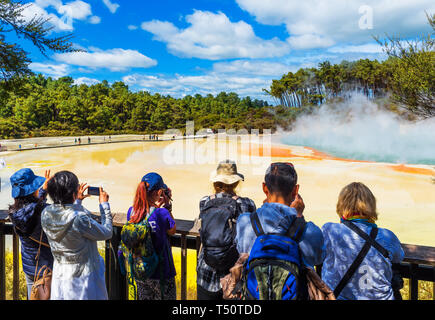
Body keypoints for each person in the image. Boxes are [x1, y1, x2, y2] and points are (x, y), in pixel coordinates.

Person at [235, 162, 325, 297]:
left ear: (265, 188)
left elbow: (242, 250)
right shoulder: (309, 231)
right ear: (295, 190)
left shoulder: (246, 221)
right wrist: (299, 217)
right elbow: (318, 258)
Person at [321, 182, 404, 300]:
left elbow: (315, 255)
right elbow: (399, 257)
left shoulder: (329, 230)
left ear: (341, 205)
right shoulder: (387, 236)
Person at [41, 171, 112, 300]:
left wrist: (77, 202)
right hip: (83, 279)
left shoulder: (46, 214)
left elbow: (66, 216)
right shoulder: (80, 219)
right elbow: (107, 232)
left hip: (61, 274)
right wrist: (104, 205)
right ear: (73, 193)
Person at [197, 160, 256, 300]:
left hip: (206, 272)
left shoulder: (204, 202)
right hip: (232, 274)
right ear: (235, 182)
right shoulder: (246, 204)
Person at [124, 172, 177, 300]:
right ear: (159, 192)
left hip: (141, 270)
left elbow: (147, 216)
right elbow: (172, 231)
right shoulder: (162, 213)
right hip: (162, 273)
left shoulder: (132, 212)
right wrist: (168, 206)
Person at [8, 168, 54, 299]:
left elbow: (33, 208)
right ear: (33, 190)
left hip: (30, 267)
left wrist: (43, 191)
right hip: (48, 268)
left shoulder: (14, 213)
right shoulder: (46, 212)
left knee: (33, 295)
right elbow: (37, 208)